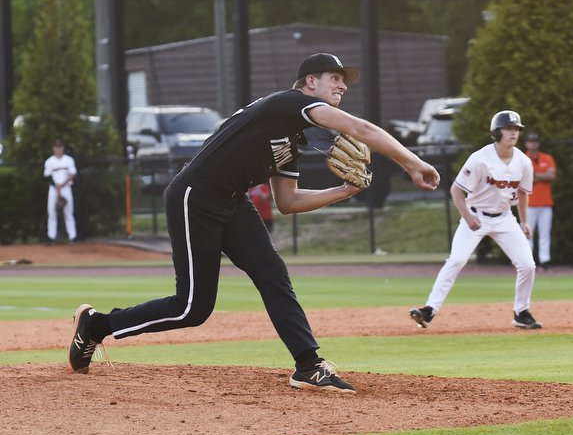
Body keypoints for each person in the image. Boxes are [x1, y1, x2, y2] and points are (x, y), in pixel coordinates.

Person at [68, 53, 441, 393]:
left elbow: (289, 202)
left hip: (232, 199)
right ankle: (96, 325)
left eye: (343, 80)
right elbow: (361, 129)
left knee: (272, 272)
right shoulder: (288, 103)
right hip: (195, 195)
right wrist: (412, 163)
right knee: (192, 307)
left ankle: (308, 364)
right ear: (310, 82)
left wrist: (342, 191)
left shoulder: (291, 138)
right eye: (334, 77)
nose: (342, 85)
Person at [409, 110, 541, 330]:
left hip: (505, 218)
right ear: (496, 132)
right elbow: (456, 190)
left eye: (516, 129)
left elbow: (524, 193)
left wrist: (524, 221)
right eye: (508, 129)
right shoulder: (480, 159)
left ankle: (521, 312)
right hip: (476, 215)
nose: (513, 133)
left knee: (528, 265)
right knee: (457, 260)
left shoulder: (523, 162)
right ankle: (429, 310)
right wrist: (468, 217)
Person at [525, 133, 556, 270]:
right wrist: (542, 176)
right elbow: (524, 178)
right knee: (528, 234)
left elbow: (552, 175)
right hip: (529, 203)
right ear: (526, 143)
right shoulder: (523, 158)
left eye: (535, 141)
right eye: (531, 141)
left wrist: (536, 176)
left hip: (545, 203)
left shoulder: (547, 158)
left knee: (545, 234)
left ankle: (545, 261)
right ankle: (528, 261)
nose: (533, 144)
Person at [44, 138, 78, 243]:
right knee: (51, 212)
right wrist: (57, 187)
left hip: (66, 187)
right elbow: (47, 176)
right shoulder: (49, 161)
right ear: (53, 148)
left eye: (60, 147)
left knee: (69, 212)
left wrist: (62, 184)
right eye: (56, 147)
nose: (58, 149)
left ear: (63, 148)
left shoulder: (68, 160)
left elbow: (72, 174)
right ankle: (51, 236)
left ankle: (73, 236)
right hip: (53, 189)